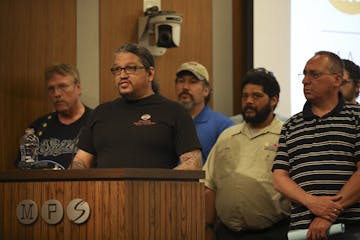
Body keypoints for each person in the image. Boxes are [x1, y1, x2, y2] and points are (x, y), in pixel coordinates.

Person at [71, 43, 202, 170]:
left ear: (150, 74)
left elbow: (193, 162)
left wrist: (163, 185)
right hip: (104, 192)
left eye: (130, 68)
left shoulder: (175, 112)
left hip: (155, 192)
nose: (122, 75)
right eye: (117, 69)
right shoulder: (101, 112)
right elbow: (81, 161)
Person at [273, 51, 360, 240]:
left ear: (337, 80)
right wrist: (312, 203)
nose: (305, 81)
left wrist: (328, 213)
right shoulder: (291, 125)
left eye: (314, 74)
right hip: (301, 232)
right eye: (304, 74)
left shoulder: (357, 116)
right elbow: (279, 177)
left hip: (349, 229)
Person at [204, 68, 291, 240]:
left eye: (256, 96)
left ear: (274, 100)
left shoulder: (286, 136)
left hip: (272, 233)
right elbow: (209, 184)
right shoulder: (227, 136)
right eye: (245, 96)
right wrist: (207, 227)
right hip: (226, 233)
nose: (249, 101)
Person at [16, 63, 92, 169]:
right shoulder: (37, 127)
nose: (56, 94)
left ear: (78, 88)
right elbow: (22, 168)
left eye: (62, 86)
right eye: (51, 89)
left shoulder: (95, 122)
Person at [175, 61, 234, 163]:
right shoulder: (169, 121)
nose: (185, 87)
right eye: (181, 81)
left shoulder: (223, 126)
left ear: (206, 90)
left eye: (193, 82)